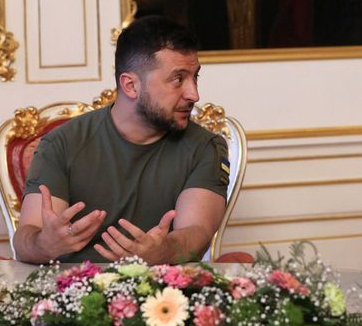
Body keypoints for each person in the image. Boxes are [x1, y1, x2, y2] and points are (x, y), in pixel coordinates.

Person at [13, 16, 229, 265]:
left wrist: (163, 251)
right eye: (178, 79)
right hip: (70, 290)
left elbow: (197, 233)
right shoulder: (60, 143)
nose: (194, 94)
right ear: (130, 85)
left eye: (195, 77)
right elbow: (25, 240)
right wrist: (43, 243)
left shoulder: (206, 147)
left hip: (160, 296)